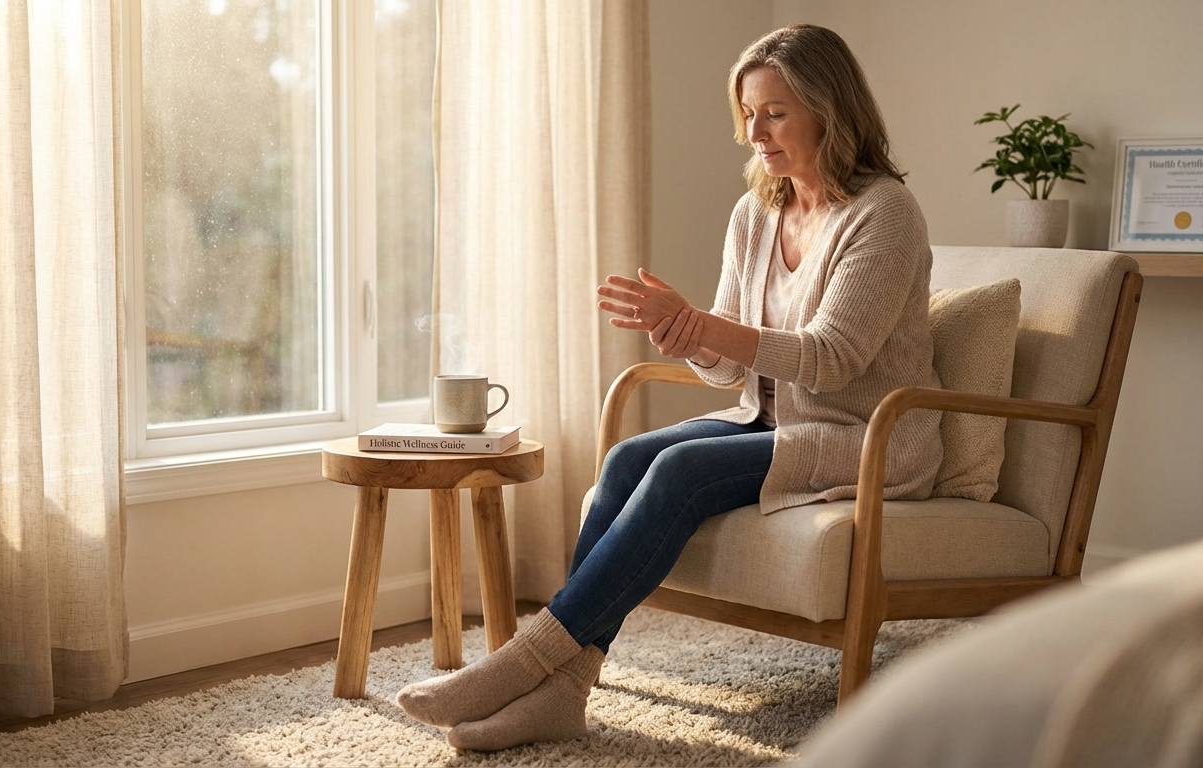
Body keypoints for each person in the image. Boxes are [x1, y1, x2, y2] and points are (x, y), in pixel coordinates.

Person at [395, 23, 943, 752]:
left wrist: (706, 327)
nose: (755, 132)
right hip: (771, 418)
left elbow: (835, 359)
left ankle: (519, 666)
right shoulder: (756, 213)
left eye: (775, 113)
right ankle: (565, 692)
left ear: (830, 110)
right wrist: (684, 336)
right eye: (748, 113)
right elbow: (729, 369)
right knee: (627, 460)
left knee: (682, 468)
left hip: (869, 437)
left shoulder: (884, 214)